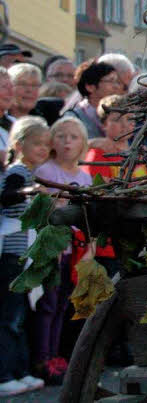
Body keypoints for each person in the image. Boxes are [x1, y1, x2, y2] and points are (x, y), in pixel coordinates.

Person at [30, 117, 91, 384]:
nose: (67, 142)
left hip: (74, 250)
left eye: (74, 137)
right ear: (52, 141)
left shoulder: (84, 176)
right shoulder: (45, 171)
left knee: (63, 304)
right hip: (51, 248)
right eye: (61, 136)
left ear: (83, 143)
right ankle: (43, 358)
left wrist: (91, 247)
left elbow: (90, 216)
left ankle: (56, 355)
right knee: (48, 303)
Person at [0, 117, 51, 395]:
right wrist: (29, 191)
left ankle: (20, 370)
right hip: (13, 255)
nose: (43, 149)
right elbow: (7, 197)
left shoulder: (31, 171)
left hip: (25, 257)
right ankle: (5, 374)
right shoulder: (18, 171)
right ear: (19, 145)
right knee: (10, 317)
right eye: (37, 143)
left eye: (46, 144)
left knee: (21, 316)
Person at [63, 61, 123, 140]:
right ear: (90, 87)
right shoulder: (74, 117)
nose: (117, 86)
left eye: (117, 82)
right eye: (111, 81)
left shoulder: (122, 113)